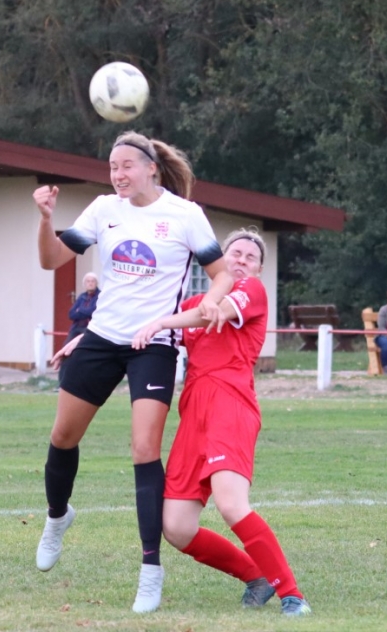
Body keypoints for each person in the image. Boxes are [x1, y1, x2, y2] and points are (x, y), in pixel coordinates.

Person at [31, 130, 233, 613]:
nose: (118, 175)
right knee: (62, 437)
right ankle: (57, 517)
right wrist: (46, 219)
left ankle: (150, 570)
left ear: (151, 169)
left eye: (126, 166)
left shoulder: (185, 215)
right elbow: (50, 259)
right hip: (102, 338)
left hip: (154, 345)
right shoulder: (104, 209)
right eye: (112, 167)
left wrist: (211, 301)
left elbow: (222, 272)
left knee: (144, 449)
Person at [129, 229, 311, 617]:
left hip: (231, 405)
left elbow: (213, 312)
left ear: (258, 269)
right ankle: (257, 577)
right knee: (176, 527)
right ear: (221, 260)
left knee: (231, 505)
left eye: (250, 257)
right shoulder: (192, 303)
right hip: (193, 414)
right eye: (235, 253)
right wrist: (84, 342)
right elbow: (139, 328)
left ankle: (292, 595)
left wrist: (161, 321)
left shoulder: (251, 292)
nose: (242, 260)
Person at [66, 272, 100, 342]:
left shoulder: (100, 296)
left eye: (92, 281)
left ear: (96, 283)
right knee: (67, 345)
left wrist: (80, 310)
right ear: (85, 284)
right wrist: (85, 312)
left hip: (91, 328)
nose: (90, 283)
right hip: (77, 327)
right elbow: (71, 314)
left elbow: (92, 311)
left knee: (83, 344)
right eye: (88, 281)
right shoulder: (82, 296)